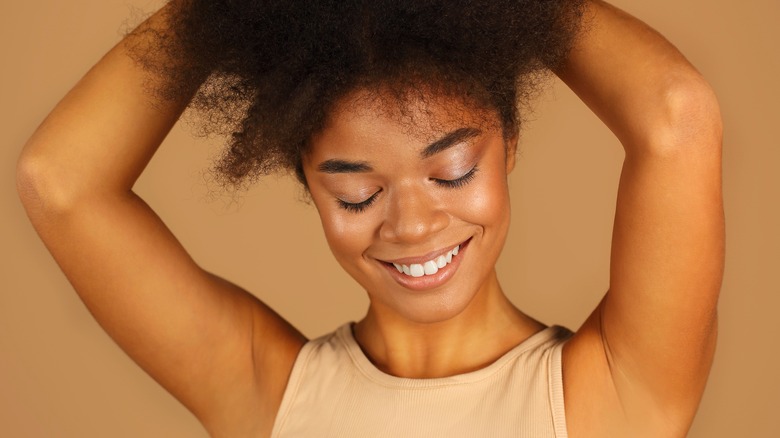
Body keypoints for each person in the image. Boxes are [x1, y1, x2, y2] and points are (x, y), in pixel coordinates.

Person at [16, 0, 724, 436]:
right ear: (308, 186)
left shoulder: (609, 394)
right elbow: (60, 183)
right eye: (357, 194)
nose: (411, 225)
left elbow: (677, 115)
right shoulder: (267, 394)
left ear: (509, 144)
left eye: (451, 171)